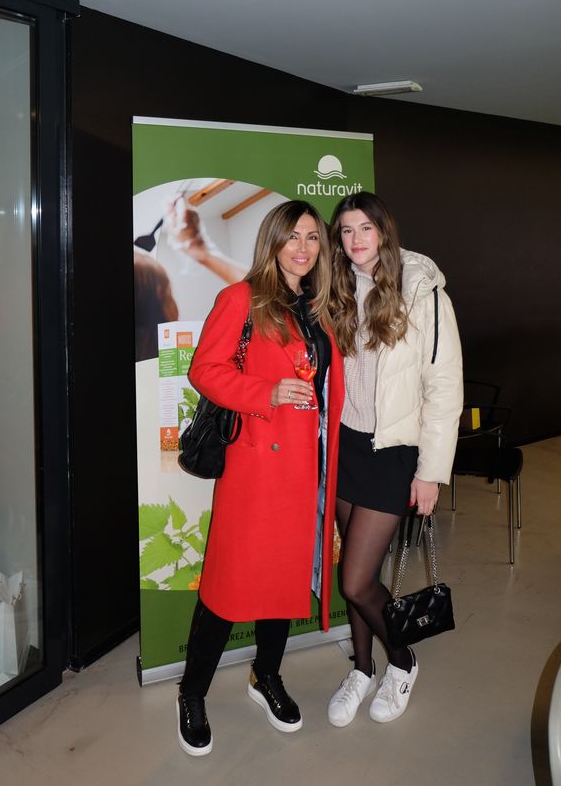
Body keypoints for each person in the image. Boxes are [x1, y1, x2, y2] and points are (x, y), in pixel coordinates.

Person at [176, 200, 344, 757]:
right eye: (292, 236)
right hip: (258, 467)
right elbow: (205, 369)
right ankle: (192, 692)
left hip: (306, 468)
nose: (303, 247)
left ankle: (266, 676)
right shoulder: (241, 298)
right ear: (272, 241)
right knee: (227, 588)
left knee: (283, 582)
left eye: (312, 238)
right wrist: (264, 393)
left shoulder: (319, 307)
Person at [326, 192, 462, 728]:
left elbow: (444, 388)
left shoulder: (422, 292)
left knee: (356, 581)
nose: (355, 240)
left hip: (394, 451)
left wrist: (431, 472)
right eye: (346, 231)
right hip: (346, 445)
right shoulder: (337, 289)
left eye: (365, 228)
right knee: (358, 571)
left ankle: (402, 661)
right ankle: (362, 669)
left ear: (384, 231)